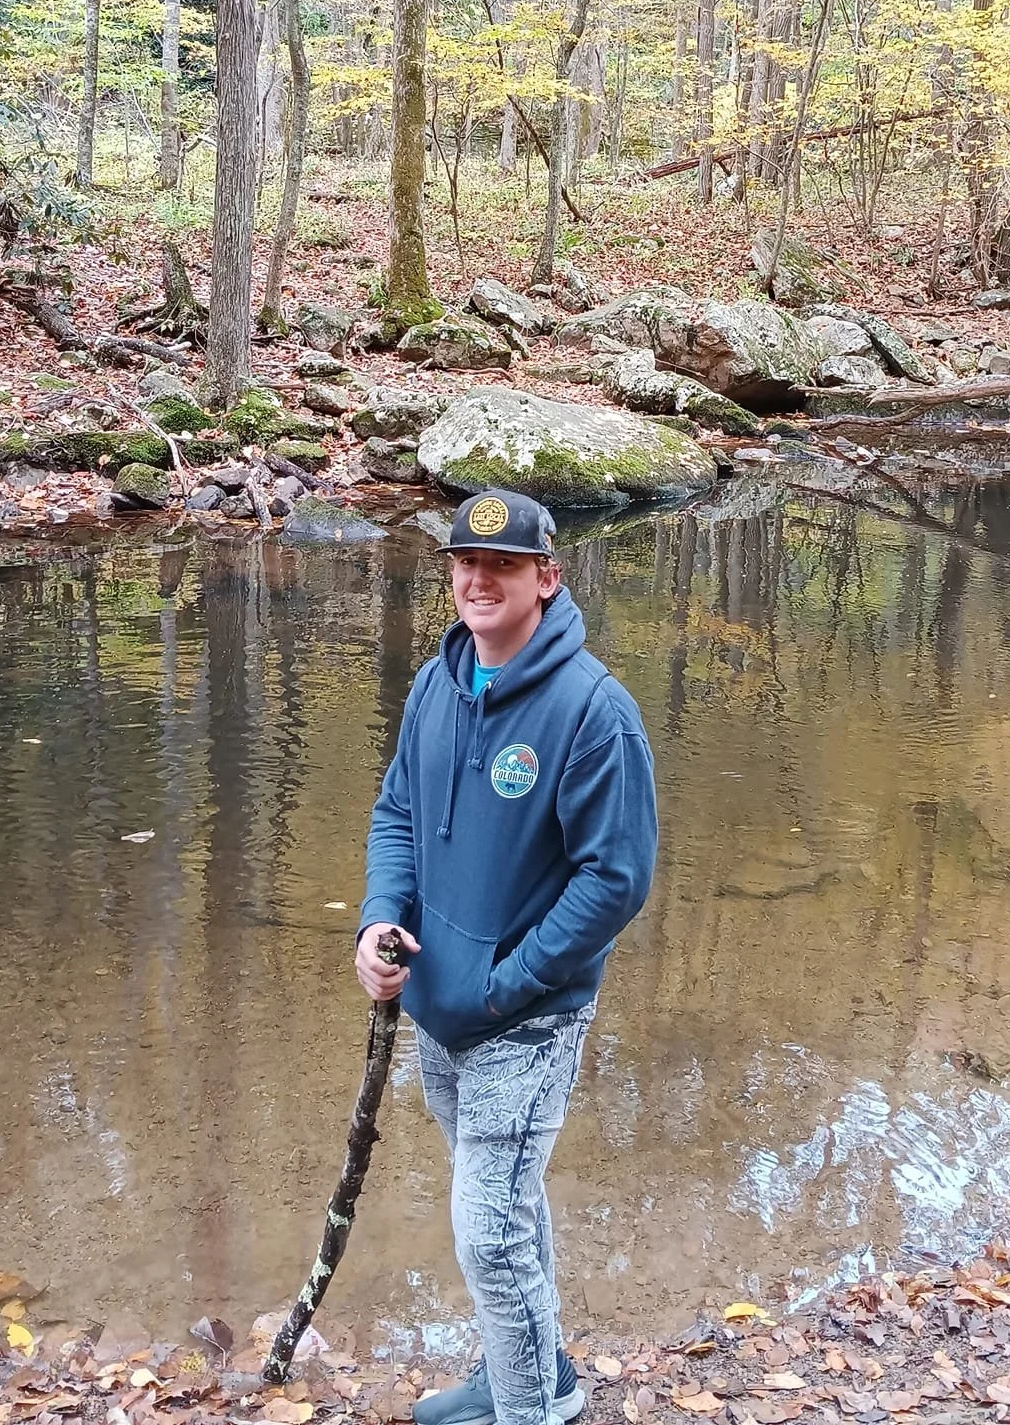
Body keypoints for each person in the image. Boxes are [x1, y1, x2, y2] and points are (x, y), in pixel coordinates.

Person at [357, 487, 658, 1425]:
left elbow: (615, 881)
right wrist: (378, 922)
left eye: (502, 565)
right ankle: (532, 1370)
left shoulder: (594, 712)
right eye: (464, 562)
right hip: (438, 1001)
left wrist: (512, 982)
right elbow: (397, 813)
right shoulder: (436, 685)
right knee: (508, 1212)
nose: (478, 579)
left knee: (487, 1232)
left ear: (547, 578)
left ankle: (528, 1409)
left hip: (527, 1017)